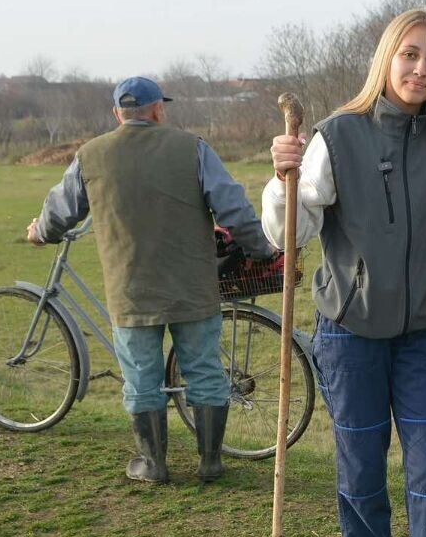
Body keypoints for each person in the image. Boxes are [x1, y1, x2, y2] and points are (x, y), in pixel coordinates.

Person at [263, 9, 426, 537]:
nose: (420, 70)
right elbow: (288, 233)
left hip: (424, 336)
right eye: (410, 55)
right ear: (387, 58)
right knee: (361, 474)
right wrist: (281, 178)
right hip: (349, 334)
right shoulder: (337, 135)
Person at [28, 76, 276, 485]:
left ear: (117, 114)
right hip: (193, 287)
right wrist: (263, 248)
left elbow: (60, 212)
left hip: (131, 291)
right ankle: (210, 462)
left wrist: (40, 233)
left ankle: (153, 464)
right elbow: (232, 207)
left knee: (141, 379)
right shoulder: (192, 147)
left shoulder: (91, 155)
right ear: (159, 109)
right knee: (205, 372)